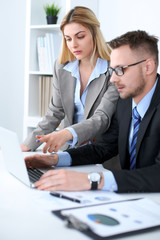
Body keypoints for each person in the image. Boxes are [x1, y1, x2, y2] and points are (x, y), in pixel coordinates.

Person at [25, 30, 160, 193]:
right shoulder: (125, 101)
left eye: (120, 69)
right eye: (112, 71)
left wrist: (93, 180)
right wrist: (56, 159)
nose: (113, 79)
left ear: (148, 67)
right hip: (132, 198)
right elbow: (104, 147)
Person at [21, 6, 118, 153]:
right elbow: (55, 112)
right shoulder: (61, 66)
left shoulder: (115, 67)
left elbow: (102, 118)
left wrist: (65, 134)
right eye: (68, 39)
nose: (73, 45)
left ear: (94, 33)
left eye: (80, 37)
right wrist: (27, 146)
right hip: (69, 150)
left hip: (101, 153)